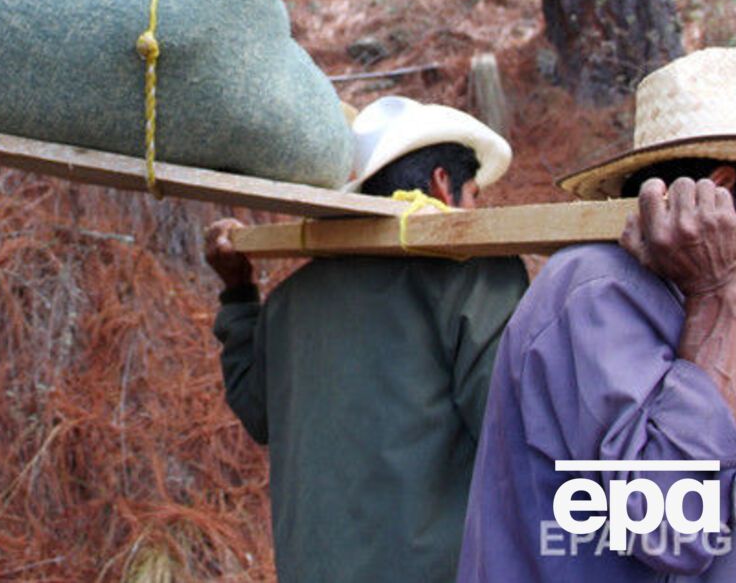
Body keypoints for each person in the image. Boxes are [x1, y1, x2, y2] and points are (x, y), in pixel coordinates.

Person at [205, 96, 528, 583]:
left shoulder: (290, 300)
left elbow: (257, 411)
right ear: (442, 183)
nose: (478, 209)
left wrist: (238, 293)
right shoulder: (476, 278)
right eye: (475, 195)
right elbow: (515, 434)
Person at [459, 46, 736, 581]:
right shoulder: (598, 288)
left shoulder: (701, 294)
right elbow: (674, 526)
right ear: (718, 197)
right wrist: (718, 297)